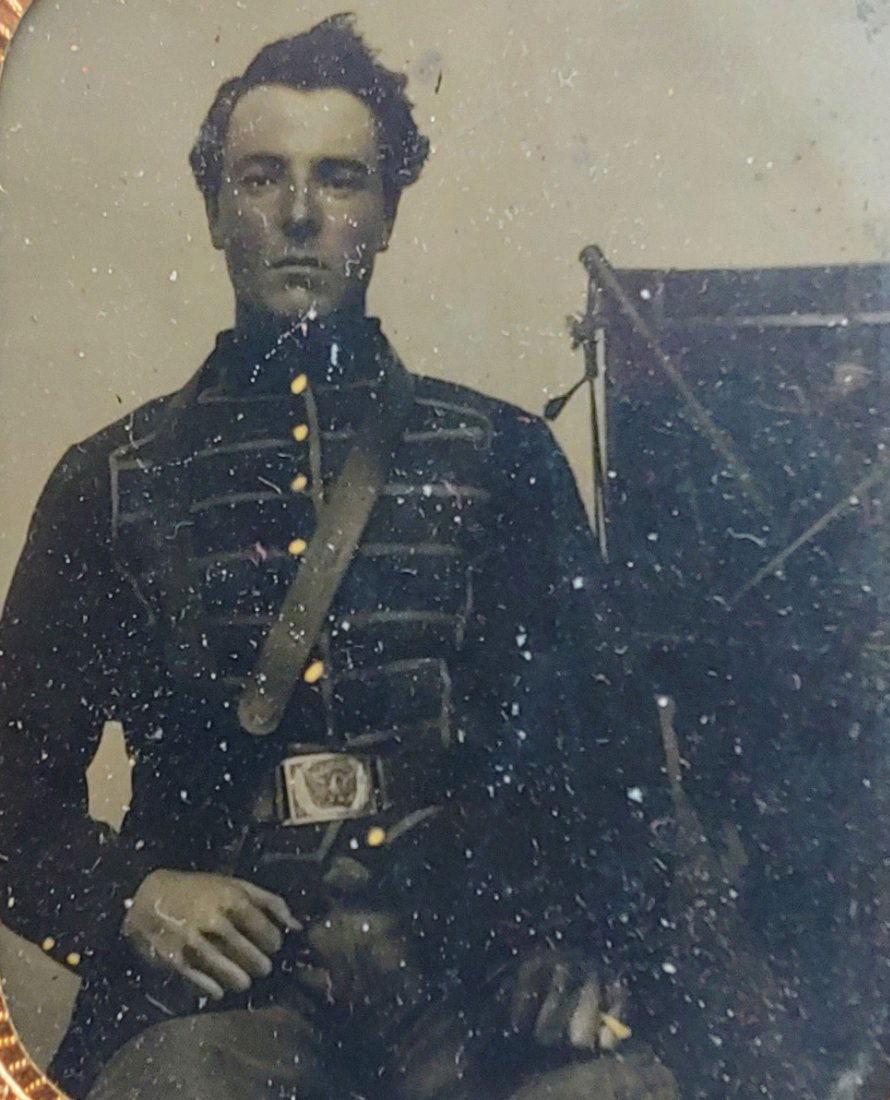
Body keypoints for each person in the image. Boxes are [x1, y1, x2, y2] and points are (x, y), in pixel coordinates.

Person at [0, 16, 675, 1100]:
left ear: (386, 212)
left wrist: (581, 940)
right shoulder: (107, 479)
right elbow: (9, 793)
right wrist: (132, 893)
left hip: (472, 982)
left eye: (341, 179)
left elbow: (608, 763)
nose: (302, 214)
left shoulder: (501, 457)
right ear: (216, 208)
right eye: (263, 177)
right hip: (224, 1002)